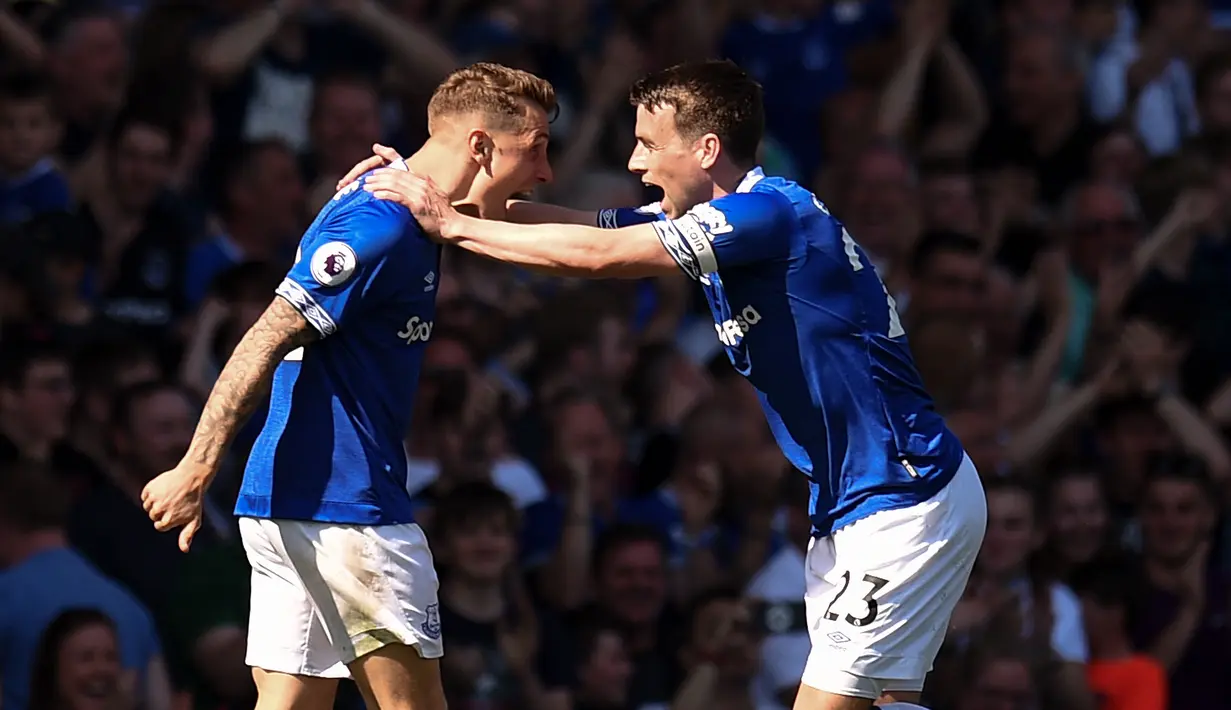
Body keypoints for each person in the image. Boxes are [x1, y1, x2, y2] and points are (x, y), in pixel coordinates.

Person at [347, 59, 987, 710]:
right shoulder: (725, 222)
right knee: (888, 704)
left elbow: (602, 259)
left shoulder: (766, 216)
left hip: (903, 498)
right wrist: (430, 186)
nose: (633, 161)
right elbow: (587, 227)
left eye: (649, 144)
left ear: (706, 149)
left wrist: (451, 226)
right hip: (864, 502)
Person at [138, 62, 556, 710]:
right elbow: (266, 334)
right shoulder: (383, 224)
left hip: (286, 506)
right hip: (348, 512)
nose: (545, 171)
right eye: (536, 151)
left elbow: (531, 224)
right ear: (479, 146)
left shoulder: (394, 209)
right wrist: (195, 466)